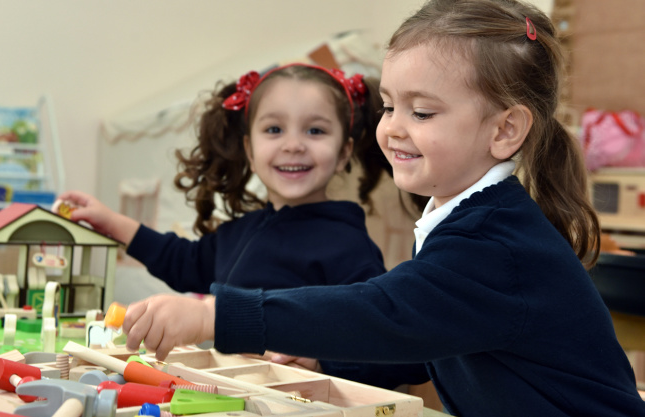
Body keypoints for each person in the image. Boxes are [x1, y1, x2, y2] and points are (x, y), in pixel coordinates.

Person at [118, 1, 645, 416]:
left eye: (421, 111)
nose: (392, 127)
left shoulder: (496, 245)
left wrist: (215, 314)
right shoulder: (464, 220)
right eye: (390, 105)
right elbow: (427, 338)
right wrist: (327, 358)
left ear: (505, 130)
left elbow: (386, 312)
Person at [57, 63, 396, 293]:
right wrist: (111, 222)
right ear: (250, 149)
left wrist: (320, 361)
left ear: (343, 153)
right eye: (274, 129)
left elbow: (385, 346)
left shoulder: (349, 248)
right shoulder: (240, 233)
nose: (293, 145)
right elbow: (182, 262)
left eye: (315, 130)